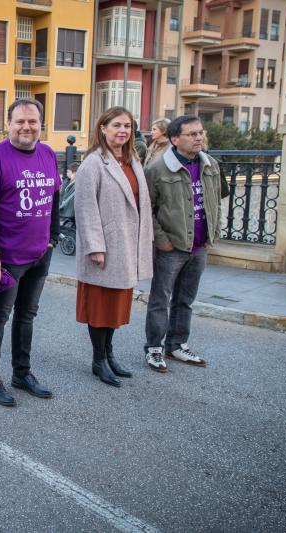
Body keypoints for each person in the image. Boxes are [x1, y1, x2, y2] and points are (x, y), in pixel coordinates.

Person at [0, 98, 61, 406]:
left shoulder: (48, 153)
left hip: (39, 254)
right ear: (8, 124)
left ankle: (21, 373)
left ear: (41, 124)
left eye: (32, 121)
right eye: (20, 121)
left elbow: (55, 195)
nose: (26, 127)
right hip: (7, 257)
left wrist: (54, 235)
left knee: (27, 316)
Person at [74, 107, 154, 387]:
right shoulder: (93, 163)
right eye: (117, 125)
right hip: (106, 247)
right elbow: (85, 208)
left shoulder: (132, 160)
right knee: (100, 307)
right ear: (103, 128)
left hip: (127, 245)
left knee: (117, 306)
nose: (123, 131)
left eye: (128, 126)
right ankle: (98, 360)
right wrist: (95, 246)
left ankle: (109, 354)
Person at [143, 115, 221, 372]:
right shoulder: (156, 170)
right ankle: (154, 348)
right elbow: (147, 211)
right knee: (160, 300)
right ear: (175, 139)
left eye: (200, 132)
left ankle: (177, 345)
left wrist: (212, 234)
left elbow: (214, 202)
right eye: (192, 134)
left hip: (198, 247)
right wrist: (162, 241)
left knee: (185, 300)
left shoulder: (211, 165)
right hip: (171, 248)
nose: (198, 138)